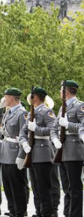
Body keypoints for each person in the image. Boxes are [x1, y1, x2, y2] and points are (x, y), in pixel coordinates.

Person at [19, 87, 58, 217]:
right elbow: (23, 131)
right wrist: (24, 143)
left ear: (35, 97)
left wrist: (36, 129)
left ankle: (47, 212)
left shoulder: (47, 112)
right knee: (36, 187)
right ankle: (39, 211)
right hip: (32, 152)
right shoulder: (32, 112)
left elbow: (53, 130)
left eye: (31, 96)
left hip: (43, 153)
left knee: (44, 187)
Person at [55, 80, 84, 217]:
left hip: (74, 151)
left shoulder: (80, 106)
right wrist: (54, 138)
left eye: (61, 90)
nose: (60, 93)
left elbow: (83, 126)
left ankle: (76, 214)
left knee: (75, 187)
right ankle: (67, 213)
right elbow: (55, 126)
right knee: (66, 187)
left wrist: (68, 124)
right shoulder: (62, 108)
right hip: (63, 150)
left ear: (66, 92)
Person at [0, 88, 29, 217]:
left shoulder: (22, 113)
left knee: (17, 184)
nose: (4, 99)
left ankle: (20, 211)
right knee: (7, 183)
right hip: (6, 152)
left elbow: (25, 135)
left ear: (11, 98)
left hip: (15, 152)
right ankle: (12, 209)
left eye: (5, 97)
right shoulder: (8, 113)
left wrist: (22, 155)